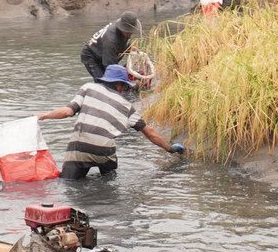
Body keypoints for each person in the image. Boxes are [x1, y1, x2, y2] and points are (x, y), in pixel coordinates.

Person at [35, 64, 183, 180]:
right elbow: (150, 132)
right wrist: (170, 149)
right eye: (124, 87)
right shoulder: (127, 107)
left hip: (78, 148)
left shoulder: (88, 88)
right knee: (109, 178)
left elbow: (67, 112)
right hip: (103, 151)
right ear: (120, 84)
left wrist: (44, 116)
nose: (124, 90)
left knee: (68, 182)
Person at [80, 12, 140, 82]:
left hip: (104, 51)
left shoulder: (123, 30)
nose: (129, 34)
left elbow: (124, 41)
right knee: (104, 82)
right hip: (91, 55)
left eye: (130, 32)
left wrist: (130, 48)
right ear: (121, 28)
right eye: (127, 32)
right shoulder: (111, 41)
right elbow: (111, 68)